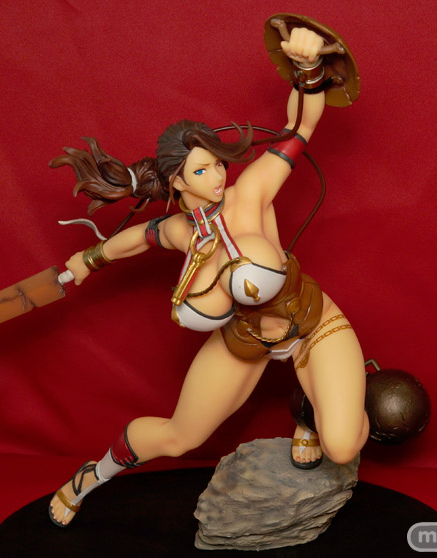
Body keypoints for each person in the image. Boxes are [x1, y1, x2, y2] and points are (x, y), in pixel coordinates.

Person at [48, 24, 368, 528]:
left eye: (218, 164)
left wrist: (308, 69)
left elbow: (300, 128)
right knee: (180, 436)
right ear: (176, 182)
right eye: (202, 171)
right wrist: (88, 261)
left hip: (311, 325)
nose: (219, 177)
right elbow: (137, 239)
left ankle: (313, 410)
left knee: (343, 444)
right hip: (246, 342)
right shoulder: (182, 232)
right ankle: (91, 477)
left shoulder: (252, 192)